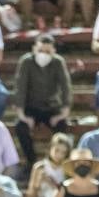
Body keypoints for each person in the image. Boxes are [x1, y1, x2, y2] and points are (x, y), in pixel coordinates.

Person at [14, 34, 71, 168]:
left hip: (51, 107)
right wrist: (22, 115)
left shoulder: (58, 62)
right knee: (20, 127)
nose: (43, 54)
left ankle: (58, 162)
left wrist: (63, 113)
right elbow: (20, 87)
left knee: (62, 126)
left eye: (47, 51)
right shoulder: (26, 62)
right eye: (40, 50)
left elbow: (65, 86)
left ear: (53, 51)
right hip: (31, 107)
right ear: (34, 49)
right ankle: (31, 162)